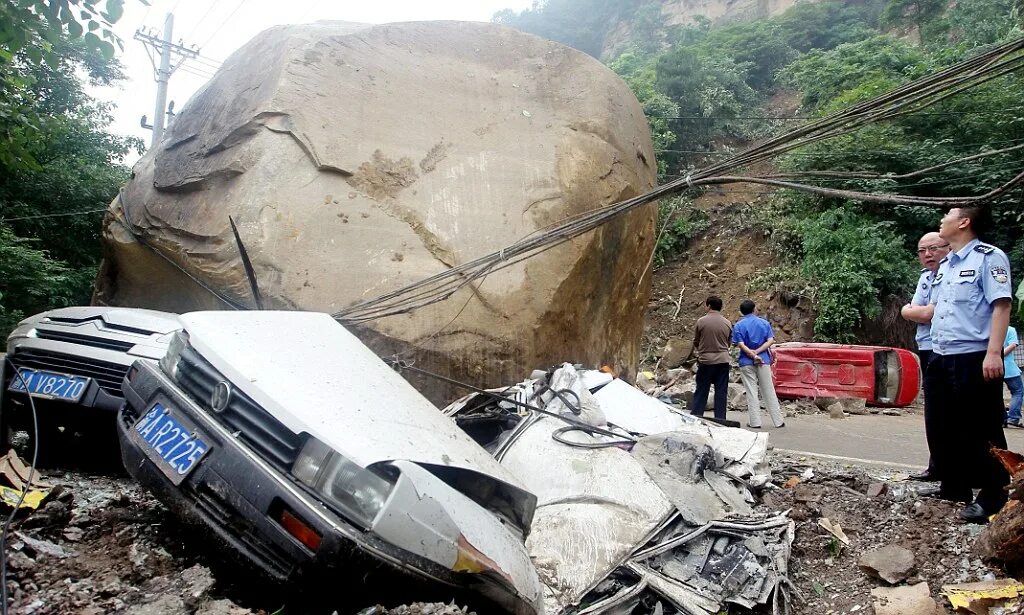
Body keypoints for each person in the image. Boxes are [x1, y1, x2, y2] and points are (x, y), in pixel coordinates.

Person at [920, 206, 1012, 523]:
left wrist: (994, 352)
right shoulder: (946, 264)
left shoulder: (989, 258)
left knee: (982, 427)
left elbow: (1001, 306)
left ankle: (994, 495)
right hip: (941, 354)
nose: (942, 218)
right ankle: (954, 486)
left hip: (974, 355)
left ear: (964, 222)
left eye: (948, 214)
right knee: (942, 424)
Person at [900, 232, 950, 482]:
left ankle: (961, 472)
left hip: (949, 347)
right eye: (922, 250)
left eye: (933, 248)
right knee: (933, 410)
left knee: (952, 410)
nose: (927, 254)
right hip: (927, 345)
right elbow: (910, 310)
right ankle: (936, 467)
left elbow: (928, 312)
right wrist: (913, 311)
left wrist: (913, 311)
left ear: (948, 248)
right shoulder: (925, 278)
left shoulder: (952, 274)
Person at [731, 299, 785, 429]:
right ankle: (778, 421)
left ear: (741, 311)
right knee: (769, 390)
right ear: (754, 309)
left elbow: (740, 344)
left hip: (746, 361)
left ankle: (755, 422)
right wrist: (758, 352)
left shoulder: (738, 325)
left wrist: (752, 354)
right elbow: (770, 340)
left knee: (751, 391)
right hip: (764, 360)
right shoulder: (764, 323)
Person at [690, 296, 732, 420]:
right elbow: (728, 342)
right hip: (723, 361)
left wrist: (701, 349)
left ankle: (697, 417)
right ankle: (720, 419)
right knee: (721, 392)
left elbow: (696, 340)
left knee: (702, 390)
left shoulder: (701, 321)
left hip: (706, 361)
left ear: (708, 306)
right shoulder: (727, 322)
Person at [1005, 325, 1023, 427]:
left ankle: (1002, 418)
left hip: (990, 366)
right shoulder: (1010, 330)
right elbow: (1012, 345)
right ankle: (1013, 417)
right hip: (1009, 368)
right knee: (1018, 391)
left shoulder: (988, 329)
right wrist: (1000, 355)